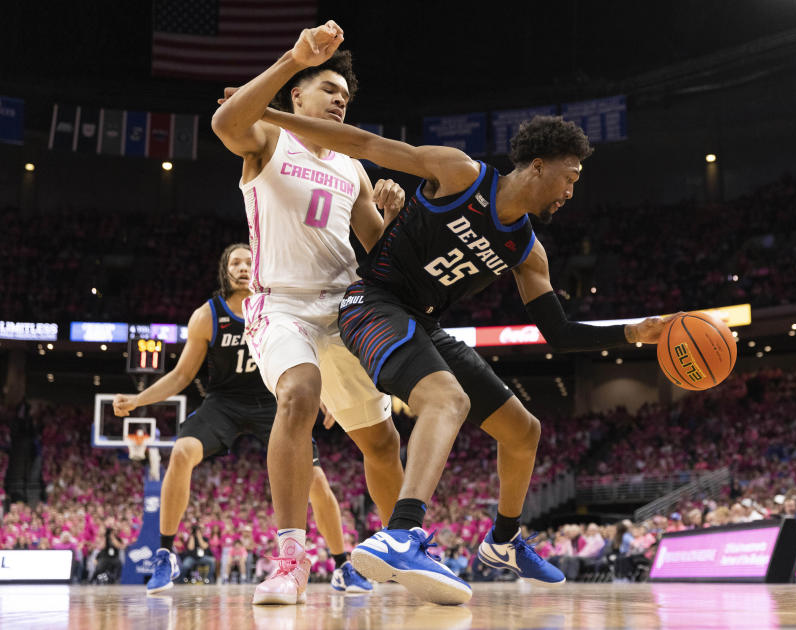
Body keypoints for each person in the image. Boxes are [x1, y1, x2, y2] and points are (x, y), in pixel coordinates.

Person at [257, 50, 674, 602]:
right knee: (445, 400)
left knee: (524, 430)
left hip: (420, 322)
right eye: (569, 177)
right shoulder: (460, 172)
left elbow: (558, 331)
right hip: (370, 302)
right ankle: (401, 533)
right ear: (540, 164)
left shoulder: (529, 252)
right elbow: (365, 146)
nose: (572, 192)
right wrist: (274, 115)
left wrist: (632, 332)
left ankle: (504, 539)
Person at [210, 22, 408, 605]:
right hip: (283, 305)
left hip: (345, 309)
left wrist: (391, 218)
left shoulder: (353, 166)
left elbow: (377, 251)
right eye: (327, 89)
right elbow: (224, 123)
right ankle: (291, 559)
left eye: (344, 97)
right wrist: (293, 57)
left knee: (382, 442)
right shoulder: (270, 139)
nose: (339, 100)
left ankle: (410, 547)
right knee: (299, 392)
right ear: (297, 96)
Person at [113, 244, 373, 596]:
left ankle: (342, 566)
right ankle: (165, 554)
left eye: (249, 261)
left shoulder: (279, 307)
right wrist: (139, 400)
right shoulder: (207, 316)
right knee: (181, 452)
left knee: (315, 480)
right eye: (234, 262)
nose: (241, 267)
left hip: (274, 400)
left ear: (261, 266)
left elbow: (312, 354)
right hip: (223, 402)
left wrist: (325, 397)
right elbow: (181, 375)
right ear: (225, 270)